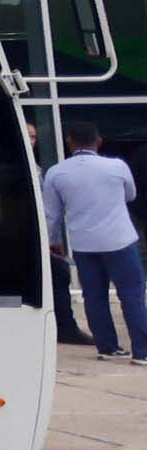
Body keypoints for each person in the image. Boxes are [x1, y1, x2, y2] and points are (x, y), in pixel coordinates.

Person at [47, 123, 142, 363]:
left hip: (84, 243)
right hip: (119, 240)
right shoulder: (117, 166)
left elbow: (52, 215)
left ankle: (107, 347)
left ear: (69, 142)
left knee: (94, 296)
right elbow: (130, 195)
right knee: (131, 295)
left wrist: (54, 242)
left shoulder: (57, 172)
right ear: (99, 141)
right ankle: (143, 351)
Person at [30, 119, 90, 345]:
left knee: (59, 274)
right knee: (59, 274)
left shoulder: (37, 169)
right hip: (27, 236)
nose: (31, 141)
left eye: (34, 136)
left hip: (42, 236)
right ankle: (65, 327)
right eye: (27, 135)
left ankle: (63, 326)